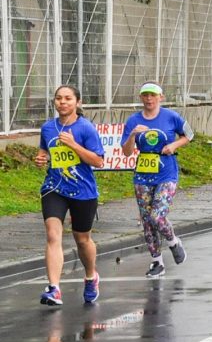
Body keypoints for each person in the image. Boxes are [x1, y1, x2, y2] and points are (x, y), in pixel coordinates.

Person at [36, 85, 105, 306]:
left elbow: (98, 161)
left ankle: (91, 276)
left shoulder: (85, 128)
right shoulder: (48, 128)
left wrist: (74, 145)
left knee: (82, 239)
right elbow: (44, 152)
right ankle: (54, 288)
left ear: (78, 102)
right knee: (53, 235)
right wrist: (40, 159)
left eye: (67, 98)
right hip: (54, 188)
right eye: (58, 98)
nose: (62, 102)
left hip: (83, 191)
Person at [121, 82, 193, 278]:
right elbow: (126, 152)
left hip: (166, 174)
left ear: (161, 97)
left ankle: (173, 242)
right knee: (147, 221)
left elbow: (189, 134)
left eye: (153, 95)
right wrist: (133, 135)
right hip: (143, 175)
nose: (149, 99)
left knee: (157, 216)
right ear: (141, 97)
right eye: (145, 95)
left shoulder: (170, 117)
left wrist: (174, 145)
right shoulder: (133, 120)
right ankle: (157, 262)